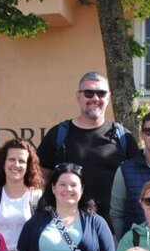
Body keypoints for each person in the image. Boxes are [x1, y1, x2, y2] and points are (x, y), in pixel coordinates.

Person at [36, 71, 140, 217]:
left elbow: (137, 183)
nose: (95, 98)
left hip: (113, 229)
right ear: (78, 96)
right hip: (66, 226)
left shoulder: (124, 137)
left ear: (108, 97)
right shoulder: (58, 134)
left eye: (101, 93)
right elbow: (39, 178)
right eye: (89, 93)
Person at [0, 138, 44, 249]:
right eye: (11, 159)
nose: (16, 165)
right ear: (3, 163)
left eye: (21, 161)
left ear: (28, 166)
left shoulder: (37, 197)